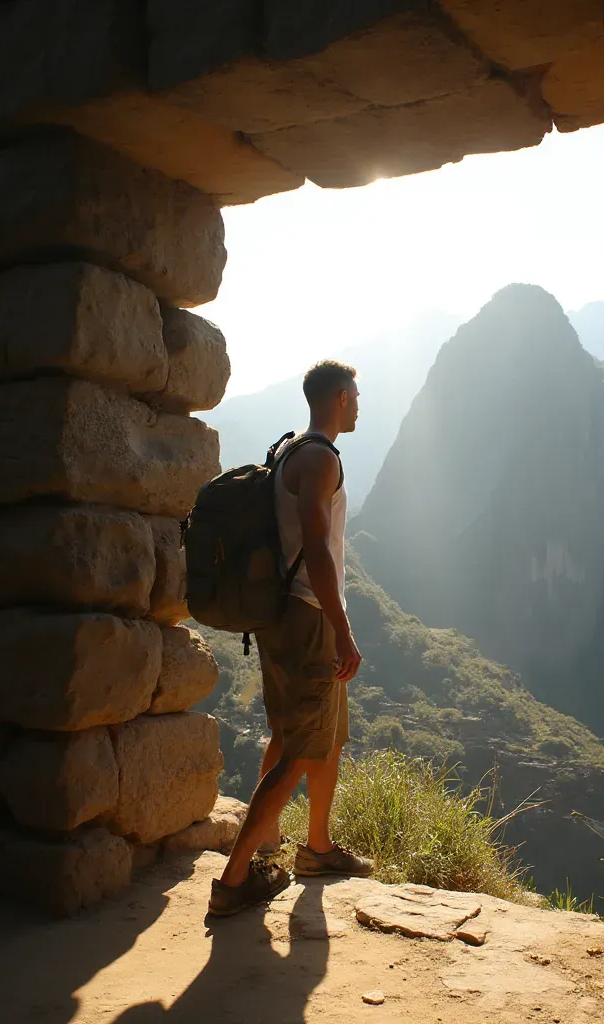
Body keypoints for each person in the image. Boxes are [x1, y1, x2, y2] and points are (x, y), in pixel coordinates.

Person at [208, 360, 373, 917]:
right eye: (357, 395)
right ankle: (234, 880)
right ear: (343, 397)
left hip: (284, 613)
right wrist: (343, 632)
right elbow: (319, 549)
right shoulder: (321, 460)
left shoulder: (289, 451)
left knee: (307, 736)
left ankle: (316, 848)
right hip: (309, 617)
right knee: (300, 748)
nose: (360, 404)